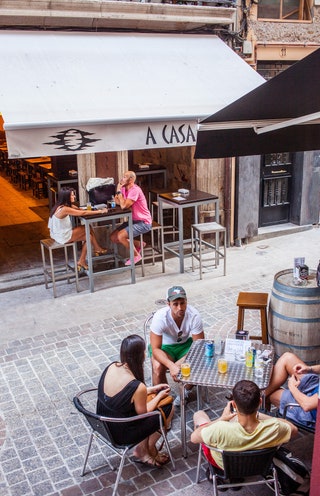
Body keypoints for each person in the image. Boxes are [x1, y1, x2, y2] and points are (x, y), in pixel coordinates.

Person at [96, 334, 174, 468]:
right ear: (140, 356)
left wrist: (152, 389)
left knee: (152, 399)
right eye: (144, 351)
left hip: (102, 423)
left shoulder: (112, 366)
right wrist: (160, 396)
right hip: (121, 433)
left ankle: (146, 449)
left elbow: (125, 394)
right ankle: (147, 449)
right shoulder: (137, 386)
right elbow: (143, 414)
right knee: (168, 407)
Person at [191, 379, 297, 471]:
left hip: (224, 465)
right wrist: (259, 415)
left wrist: (221, 419)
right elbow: (293, 429)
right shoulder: (275, 428)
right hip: (258, 465)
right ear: (260, 402)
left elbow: (194, 438)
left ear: (234, 405)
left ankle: (215, 471)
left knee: (199, 414)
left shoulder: (219, 428)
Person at [150, 286, 204, 405]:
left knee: (199, 360)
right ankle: (163, 400)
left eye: (182, 303)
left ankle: (185, 390)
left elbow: (199, 346)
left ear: (186, 302)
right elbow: (155, 349)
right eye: (175, 304)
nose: (180, 307)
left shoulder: (194, 315)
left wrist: (178, 364)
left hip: (184, 346)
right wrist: (171, 365)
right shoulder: (160, 317)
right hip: (165, 347)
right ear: (168, 304)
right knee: (157, 366)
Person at [48, 187, 108, 273]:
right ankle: (96, 249)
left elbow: (78, 209)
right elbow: (83, 212)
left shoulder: (60, 205)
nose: (74, 197)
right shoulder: (65, 209)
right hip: (62, 236)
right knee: (87, 228)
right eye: (72, 195)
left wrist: (75, 206)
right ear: (66, 197)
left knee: (89, 236)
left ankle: (83, 260)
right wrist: (100, 211)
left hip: (56, 234)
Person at [264, 351, 319, 427]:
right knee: (287, 357)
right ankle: (258, 397)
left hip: (311, 412)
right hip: (316, 387)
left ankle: (255, 403)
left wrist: (292, 387)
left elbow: (307, 405)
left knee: (270, 395)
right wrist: (310, 368)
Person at [110, 171, 152, 266]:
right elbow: (116, 201)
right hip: (133, 221)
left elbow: (123, 205)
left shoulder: (135, 190)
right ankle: (138, 244)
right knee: (113, 237)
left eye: (125, 177)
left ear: (131, 180)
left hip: (143, 222)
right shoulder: (125, 189)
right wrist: (120, 195)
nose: (122, 179)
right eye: (123, 176)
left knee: (120, 236)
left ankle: (136, 255)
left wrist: (119, 191)